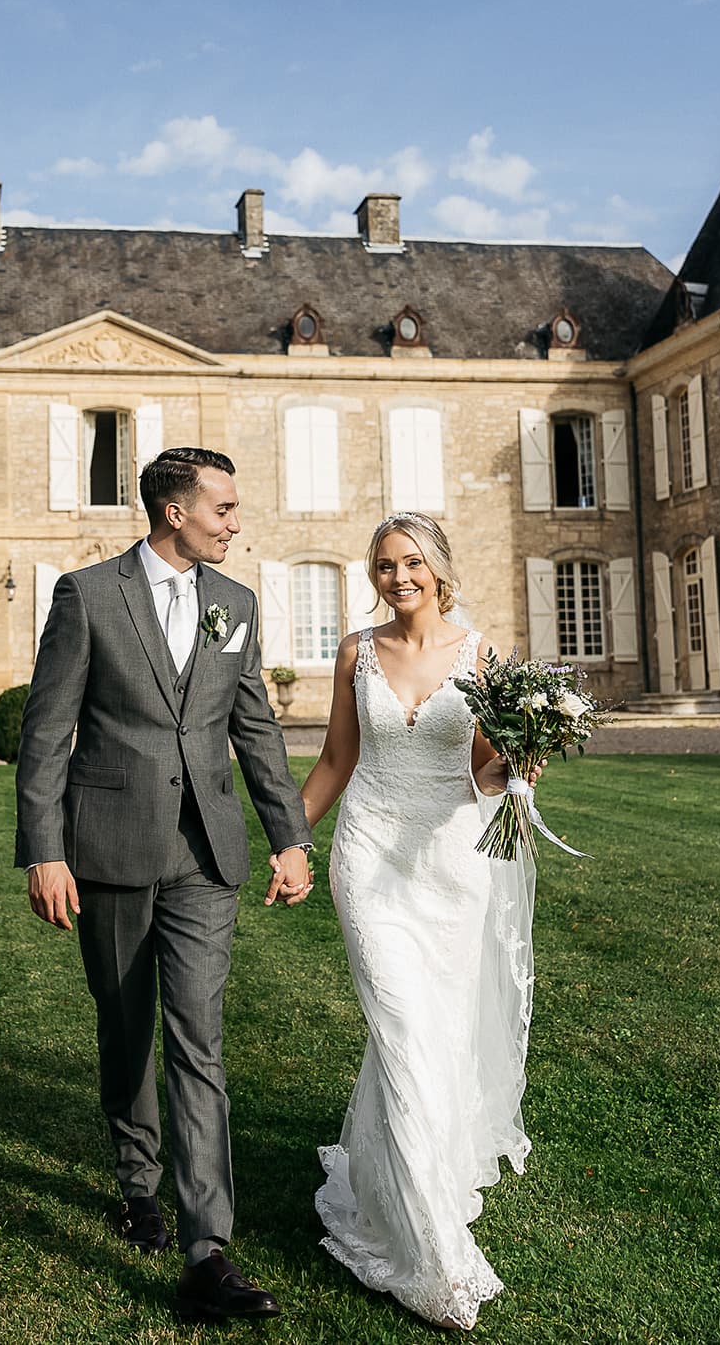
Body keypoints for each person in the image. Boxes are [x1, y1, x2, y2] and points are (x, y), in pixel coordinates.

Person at [14, 447, 315, 1323]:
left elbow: (252, 725)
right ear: (174, 513)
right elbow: (45, 732)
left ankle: (206, 1247)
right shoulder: (90, 596)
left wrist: (288, 837)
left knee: (198, 1038)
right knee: (126, 1025)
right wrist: (45, 849)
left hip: (204, 857)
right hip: (106, 846)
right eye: (222, 507)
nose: (234, 521)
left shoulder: (235, 604)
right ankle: (137, 1181)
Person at [296, 513, 537, 1331]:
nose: (397, 578)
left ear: (438, 568)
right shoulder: (356, 652)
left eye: (410, 564)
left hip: (451, 863)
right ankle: (429, 1249)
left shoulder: (480, 655)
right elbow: (337, 759)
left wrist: (517, 762)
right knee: (399, 1026)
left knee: (433, 1031)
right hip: (367, 857)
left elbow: (483, 773)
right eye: (383, 566)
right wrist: (292, 844)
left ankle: (398, 1170)